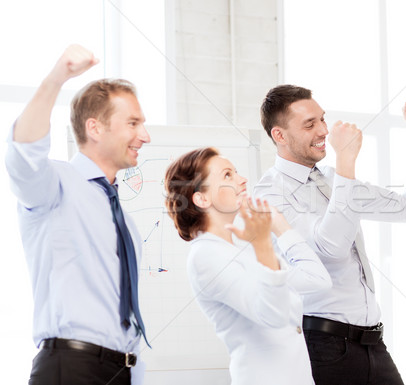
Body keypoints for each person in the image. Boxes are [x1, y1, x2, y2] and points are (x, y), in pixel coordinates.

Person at [254, 84, 406, 385]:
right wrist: (346, 162)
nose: (324, 130)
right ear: (280, 136)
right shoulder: (270, 193)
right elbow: (330, 247)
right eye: (309, 124)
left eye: (322, 119)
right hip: (323, 347)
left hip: (372, 344)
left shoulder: (333, 180)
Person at [5, 45, 151, 384]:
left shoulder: (123, 218)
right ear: (95, 128)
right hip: (71, 367)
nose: (145, 135)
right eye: (133, 123)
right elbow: (23, 153)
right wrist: (58, 78)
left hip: (121, 369)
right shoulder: (54, 186)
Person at [163, 147, 332, 385]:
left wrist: (280, 226)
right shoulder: (205, 256)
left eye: (237, 172)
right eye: (227, 175)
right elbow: (273, 315)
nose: (242, 180)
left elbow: (318, 280)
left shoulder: (245, 246)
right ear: (202, 198)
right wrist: (263, 243)